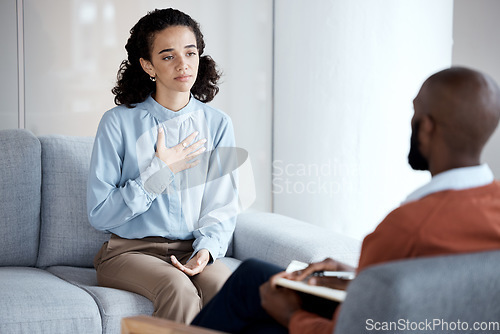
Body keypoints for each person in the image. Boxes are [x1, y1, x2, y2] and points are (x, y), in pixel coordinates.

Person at [190, 66, 500, 333]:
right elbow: (442, 283)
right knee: (253, 273)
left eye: (415, 112)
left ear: (427, 126)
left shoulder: (409, 226)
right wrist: (360, 276)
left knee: (254, 310)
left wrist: (291, 315)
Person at [87, 8, 238, 324]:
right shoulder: (117, 123)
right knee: (178, 288)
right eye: (168, 56)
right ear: (147, 65)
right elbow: (100, 213)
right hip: (128, 253)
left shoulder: (218, 124)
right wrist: (160, 172)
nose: (183, 64)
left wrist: (206, 251)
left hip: (191, 248)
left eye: (190, 52)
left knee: (225, 288)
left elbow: (221, 205)